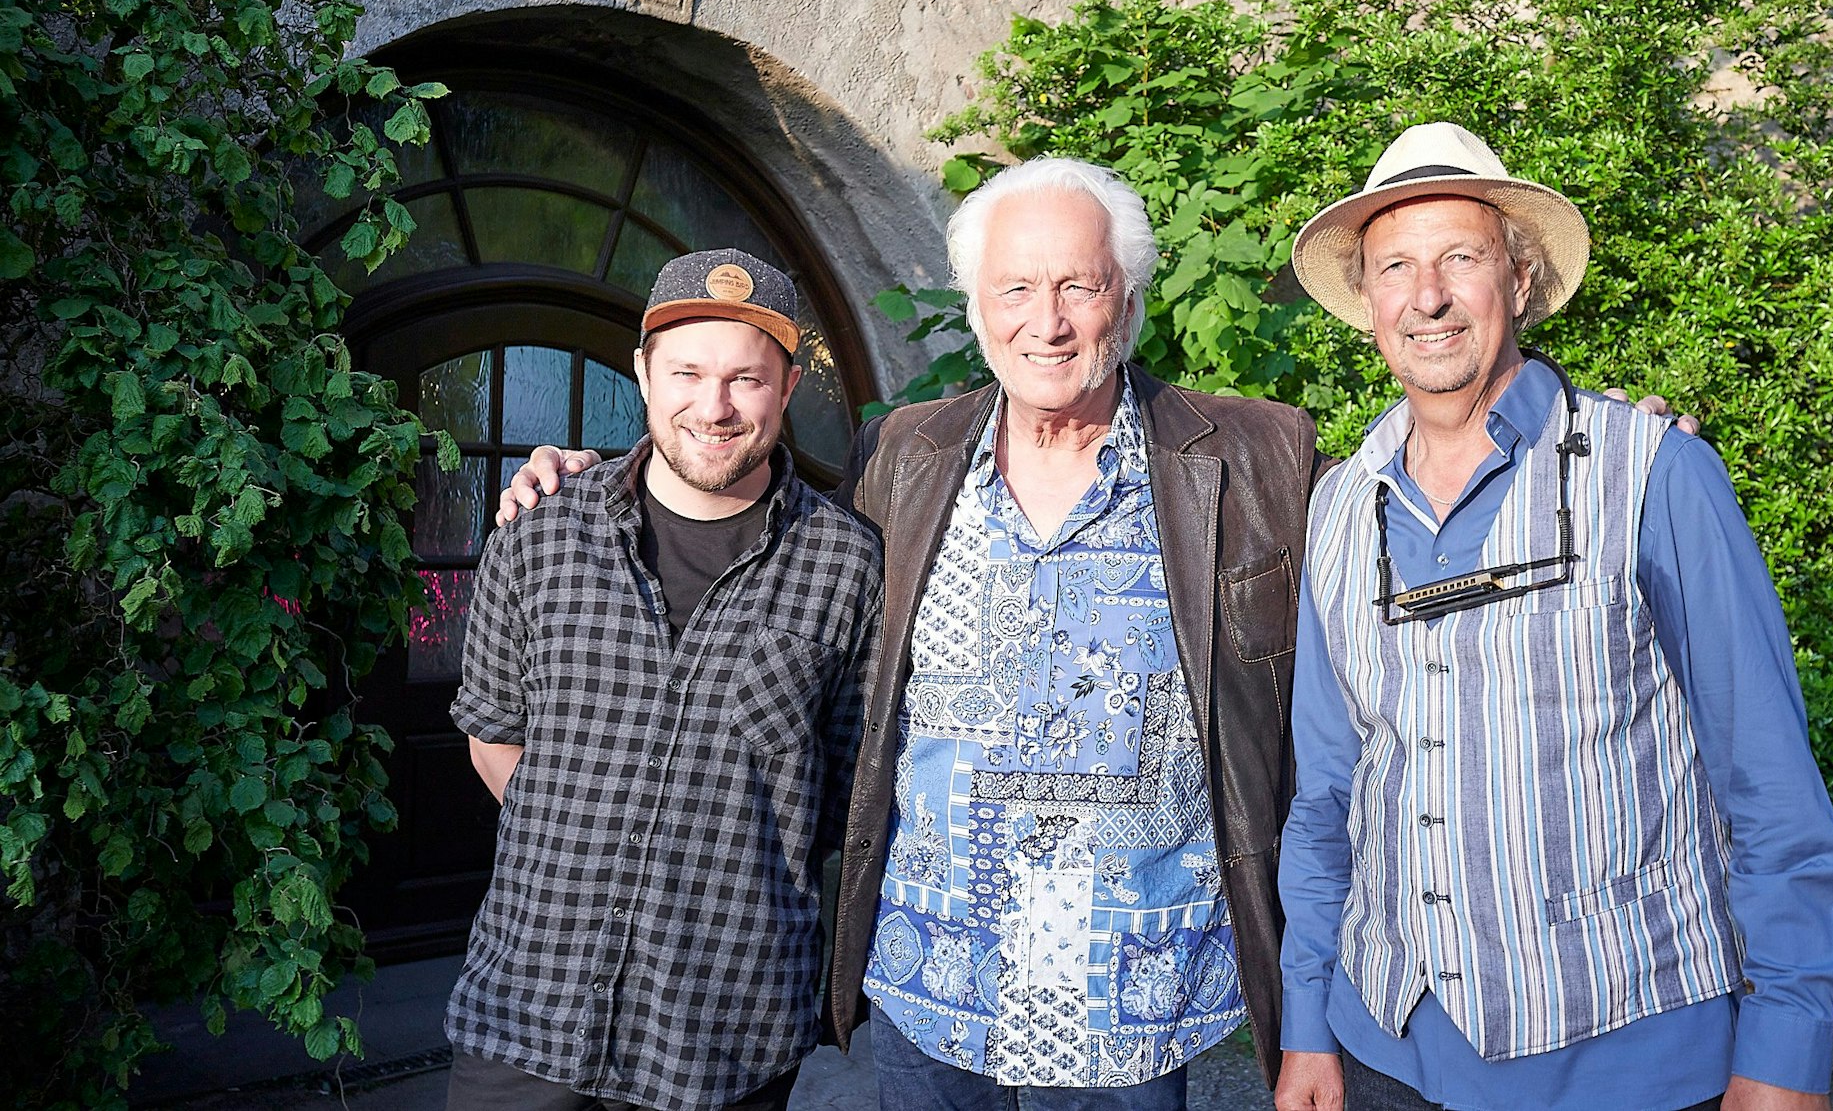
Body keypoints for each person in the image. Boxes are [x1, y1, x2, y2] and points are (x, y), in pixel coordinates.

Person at [496, 162, 1695, 1111]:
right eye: (1015, 290)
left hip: (1137, 991)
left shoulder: (1252, 458)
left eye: (1076, 286)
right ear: (975, 310)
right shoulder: (906, 456)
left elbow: (1416, 503)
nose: (1048, 322)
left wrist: (1562, 438)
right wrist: (589, 477)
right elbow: (743, 497)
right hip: (931, 987)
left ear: (1124, 297)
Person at [1273, 122, 1833, 1111]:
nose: (1425, 296)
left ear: (1515, 282)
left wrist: (1785, 1044)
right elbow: (1327, 792)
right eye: (1394, 268)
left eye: (1458, 259)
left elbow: (1764, 781)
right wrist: (1306, 1021)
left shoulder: (1656, 475)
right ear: (1368, 303)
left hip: (1625, 1064)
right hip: (1385, 1053)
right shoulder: (1339, 506)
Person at [444, 248, 881, 1111]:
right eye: (686, 371)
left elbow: (842, 796)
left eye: (746, 380)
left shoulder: (849, 565)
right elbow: (493, 734)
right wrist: (585, 833)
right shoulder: (539, 532)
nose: (713, 407)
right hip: (529, 1005)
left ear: (788, 386)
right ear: (642, 372)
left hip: (721, 1031)